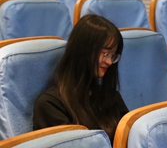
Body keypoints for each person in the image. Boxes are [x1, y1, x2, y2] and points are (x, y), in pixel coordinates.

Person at [33, 14, 128, 142]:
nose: (110, 62)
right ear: (83, 50)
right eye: (105, 53)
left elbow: (127, 138)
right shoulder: (51, 105)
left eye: (113, 55)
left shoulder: (111, 96)